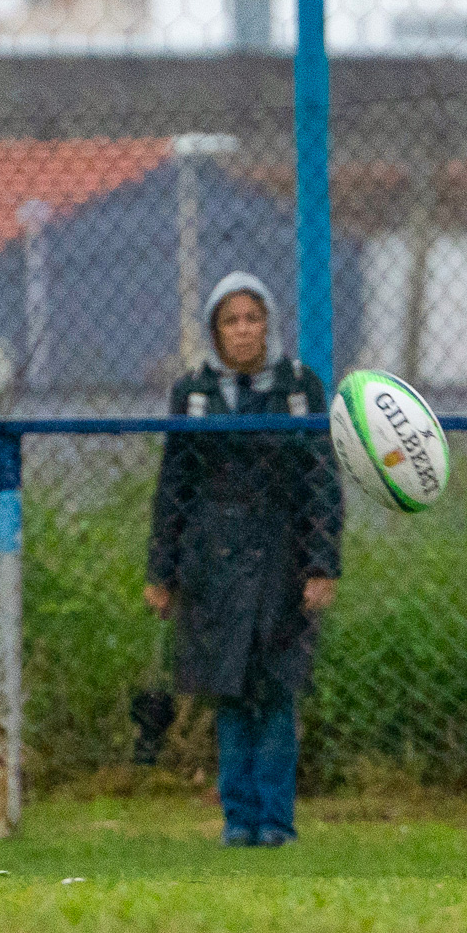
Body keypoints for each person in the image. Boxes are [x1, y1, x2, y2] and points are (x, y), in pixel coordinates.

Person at [145, 272, 343, 847]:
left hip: (282, 562)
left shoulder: (301, 388)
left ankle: (277, 823)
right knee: (228, 690)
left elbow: (322, 484)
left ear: (269, 324)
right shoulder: (193, 393)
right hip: (211, 566)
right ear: (215, 330)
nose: (242, 330)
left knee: (277, 691)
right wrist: (162, 574)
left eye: (252, 317)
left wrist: (322, 564)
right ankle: (238, 820)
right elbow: (174, 485)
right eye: (230, 320)